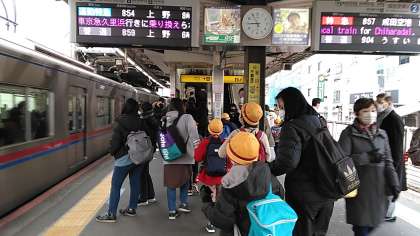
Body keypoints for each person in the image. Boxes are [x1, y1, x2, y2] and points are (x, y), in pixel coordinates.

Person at [269, 87, 334, 236]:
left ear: (291, 105)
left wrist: (266, 169)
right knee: (319, 232)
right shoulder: (319, 120)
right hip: (326, 187)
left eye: (282, 107)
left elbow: (287, 162)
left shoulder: (292, 127)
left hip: (304, 192)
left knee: (302, 231)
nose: (280, 111)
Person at [338, 98, 400, 236]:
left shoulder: (382, 134)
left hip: (379, 191)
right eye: (365, 111)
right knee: (361, 229)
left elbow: (389, 162)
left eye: (373, 110)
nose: (370, 114)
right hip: (359, 191)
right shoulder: (348, 134)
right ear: (356, 113)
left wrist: (395, 184)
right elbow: (342, 162)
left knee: (374, 224)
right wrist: (367, 157)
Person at [202, 131, 283, 236]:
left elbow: (222, 221)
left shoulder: (231, 184)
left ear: (232, 157)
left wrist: (206, 203)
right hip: (266, 231)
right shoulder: (270, 177)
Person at [96, 98, 146, 223]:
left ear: (125, 107)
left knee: (116, 186)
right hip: (139, 157)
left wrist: (112, 151)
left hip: (124, 158)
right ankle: (132, 209)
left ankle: (111, 214)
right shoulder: (140, 121)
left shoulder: (120, 122)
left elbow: (115, 142)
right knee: (135, 183)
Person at [164, 98, 200, 220]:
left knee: (171, 184)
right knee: (185, 180)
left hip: (169, 156)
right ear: (182, 106)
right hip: (185, 156)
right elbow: (194, 134)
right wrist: (197, 149)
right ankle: (184, 203)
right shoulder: (187, 117)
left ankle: (172, 211)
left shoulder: (165, 119)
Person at [195, 119, 230, 233]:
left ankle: (210, 223)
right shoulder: (225, 142)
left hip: (208, 176)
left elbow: (197, 158)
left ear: (209, 130)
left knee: (209, 197)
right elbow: (229, 161)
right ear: (221, 131)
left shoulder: (205, 142)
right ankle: (219, 221)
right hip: (222, 176)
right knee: (219, 197)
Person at [376, 93, 407, 222]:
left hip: (392, 160)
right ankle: (384, 212)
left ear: (388, 103)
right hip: (383, 159)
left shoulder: (394, 119)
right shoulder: (382, 117)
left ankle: (389, 214)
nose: (377, 105)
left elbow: (397, 146)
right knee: (385, 187)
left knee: (390, 188)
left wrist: (393, 166)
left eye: (380, 102)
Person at [137, 102, 158, 206]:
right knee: (145, 172)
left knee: (142, 173)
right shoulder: (152, 118)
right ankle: (150, 196)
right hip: (151, 148)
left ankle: (143, 198)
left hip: (145, 149)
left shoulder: (144, 120)